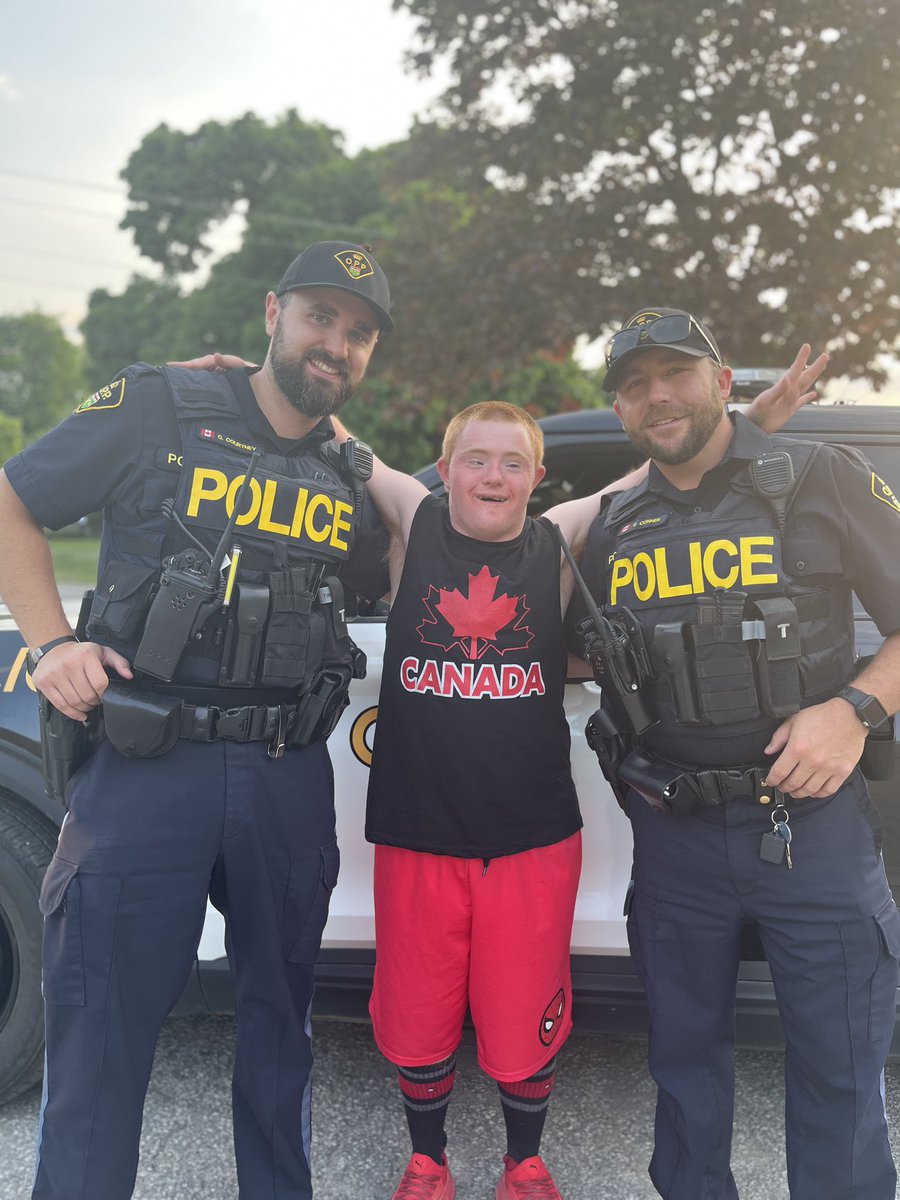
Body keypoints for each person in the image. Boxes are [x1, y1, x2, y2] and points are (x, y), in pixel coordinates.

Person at [319, 342, 825, 1200]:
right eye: (475, 459)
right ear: (444, 469)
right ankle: (427, 1162)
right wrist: (251, 376)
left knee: (524, 1013)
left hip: (532, 838)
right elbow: (341, 439)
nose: (492, 474)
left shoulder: (555, 541)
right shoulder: (417, 523)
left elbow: (655, 467)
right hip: (414, 833)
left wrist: (763, 413)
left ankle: (524, 1163)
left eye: (512, 462)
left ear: (537, 478)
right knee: (415, 1013)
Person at [0, 241, 395, 1200]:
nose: (335, 344)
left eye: (358, 333)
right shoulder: (159, 404)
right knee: (100, 1035)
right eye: (319, 317)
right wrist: (52, 644)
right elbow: (12, 498)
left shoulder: (348, 473)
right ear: (272, 314)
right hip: (148, 767)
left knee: (281, 1034)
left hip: (286, 774)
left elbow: (418, 548)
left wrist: (358, 449)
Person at [568, 306, 900, 1200]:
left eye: (675, 373)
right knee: (684, 1072)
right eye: (635, 385)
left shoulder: (820, 475)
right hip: (675, 838)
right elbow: (571, 641)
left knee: (839, 1070)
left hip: (811, 828)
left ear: (720, 382)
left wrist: (854, 710)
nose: (657, 396)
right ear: (621, 410)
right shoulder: (614, 524)